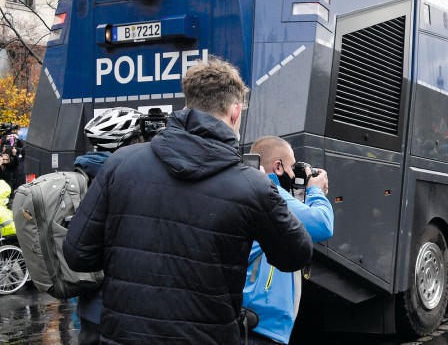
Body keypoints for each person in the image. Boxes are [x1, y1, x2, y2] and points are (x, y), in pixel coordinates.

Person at [64, 58, 313, 344]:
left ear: (186, 107)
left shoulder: (119, 163)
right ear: (234, 113)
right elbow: (295, 255)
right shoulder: (251, 185)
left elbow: (78, 254)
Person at [243, 136, 334, 345]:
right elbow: (322, 224)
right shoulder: (271, 195)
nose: (294, 174)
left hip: (254, 320)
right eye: (292, 167)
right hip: (259, 323)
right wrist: (316, 191)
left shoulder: (252, 189)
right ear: (278, 167)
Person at [72, 107, 147, 345]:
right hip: (120, 307)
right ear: (131, 140)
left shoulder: (83, 175)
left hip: (89, 306)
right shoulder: (125, 180)